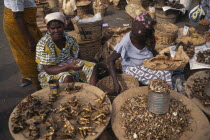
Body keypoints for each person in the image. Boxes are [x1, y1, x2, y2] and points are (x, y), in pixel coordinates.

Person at [109, 12, 172, 94]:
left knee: (170, 68)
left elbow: (152, 50)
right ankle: (167, 94)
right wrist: (115, 82)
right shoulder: (125, 42)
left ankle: (166, 88)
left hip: (148, 62)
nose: (134, 38)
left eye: (138, 37)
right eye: (134, 36)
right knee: (163, 74)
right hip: (133, 68)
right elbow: (110, 60)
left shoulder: (147, 36)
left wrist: (161, 58)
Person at [36, 12, 97, 88]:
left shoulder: (68, 38)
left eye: (59, 27)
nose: (56, 31)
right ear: (48, 29)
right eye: (53, 28)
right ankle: (68, 98)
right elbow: (48, 69)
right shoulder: (44, 44)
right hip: (50, 72)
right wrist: (68, 66)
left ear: (64, 26)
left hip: (67, 64)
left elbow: (76, 55)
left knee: (92, 67)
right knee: (67, 77)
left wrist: (81, 63)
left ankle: (92, 91)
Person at [3, 0, 43, 89]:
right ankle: (38, 85)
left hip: (26, 22)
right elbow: (17, 15)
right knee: (30, 54)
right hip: (19, 26)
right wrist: (29, 39)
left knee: (35, 51)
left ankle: (31, 77)